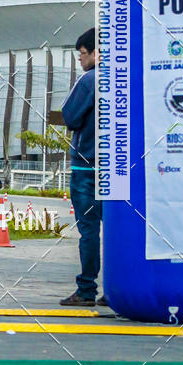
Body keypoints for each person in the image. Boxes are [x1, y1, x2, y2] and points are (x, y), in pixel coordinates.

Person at [59, 27, 105, 308]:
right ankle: (114, 289)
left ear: (96, 52)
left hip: (86, 170)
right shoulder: (124, 79)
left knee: (89, 231)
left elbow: (70, 116)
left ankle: (86, 289)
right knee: (115, 231)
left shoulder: (89, 81)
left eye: (82, 53)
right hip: (116, 171)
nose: (80, 59)